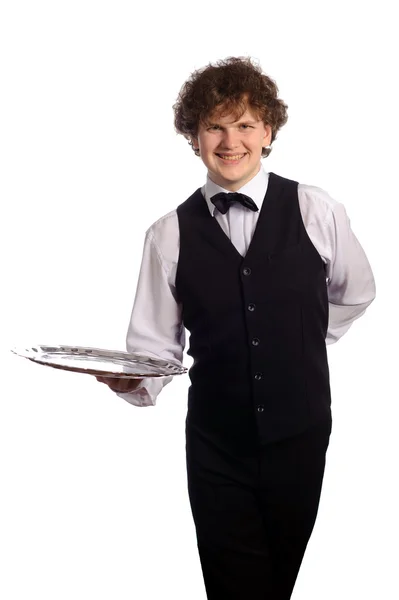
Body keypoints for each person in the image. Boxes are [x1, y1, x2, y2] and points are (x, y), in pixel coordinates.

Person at [96, 56, 376, 599]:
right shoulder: (167, 234)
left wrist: (299, 341)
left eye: (245, 124)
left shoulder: (317, 210)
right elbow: (155, 347)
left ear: (268, 131)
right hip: (217, 445)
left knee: (277, 584)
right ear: (194, 137)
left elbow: (355, 293)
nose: (231, 141)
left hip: (302, 437)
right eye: (215, 126)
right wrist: (133, 381)